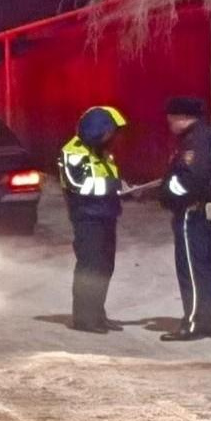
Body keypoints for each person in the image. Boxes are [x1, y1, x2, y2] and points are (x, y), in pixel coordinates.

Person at [156, 95, 211, 341]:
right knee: (204, 267)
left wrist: (167, 190)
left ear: (181, 117)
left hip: (191, 211)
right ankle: (208, 322)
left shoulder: (194, 142)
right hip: (206, 209)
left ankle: (195, 323)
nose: (169, 124)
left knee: (192, 268)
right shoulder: (210, 137)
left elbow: (191, 180)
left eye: (171, 119)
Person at [56, 104, 128, 333]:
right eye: (110, 131)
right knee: (90, 268)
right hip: (87, 218)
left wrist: (124, 190)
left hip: (107, 216)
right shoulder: (73, 151)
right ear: (98, 129)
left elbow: (106, 181)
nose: (113, 136)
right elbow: (80, 185)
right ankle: (85, 319)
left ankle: (97, 314)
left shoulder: (101, 151)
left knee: (105, 267)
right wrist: (116, 186)